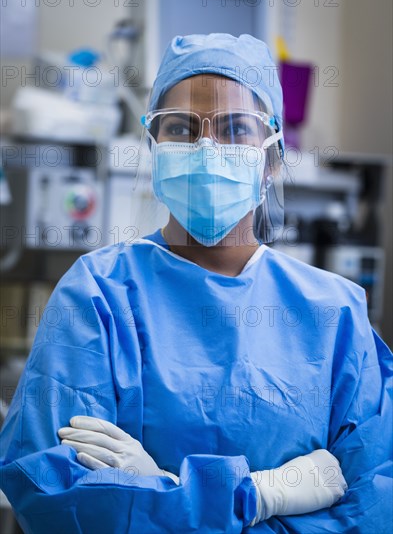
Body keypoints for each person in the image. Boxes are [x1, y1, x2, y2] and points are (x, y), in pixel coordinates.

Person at [0, 34, 392, 533]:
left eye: (235, 130)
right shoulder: (98, 295)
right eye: (182, 129)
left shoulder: (332, 313)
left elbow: (376, 506)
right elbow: (55, 496)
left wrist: (162, 495)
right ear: (154, 148)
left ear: (271, 159)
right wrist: (255, 497)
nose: (208, 148)